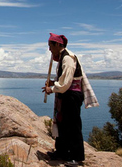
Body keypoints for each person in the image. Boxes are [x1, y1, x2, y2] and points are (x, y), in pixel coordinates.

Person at [42, 33, 98, 166]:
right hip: (66, 94)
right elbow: (64, 80)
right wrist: (53, 82)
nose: (49, 49)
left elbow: (66, 82)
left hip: (72, 96)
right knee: (62, 124)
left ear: (57, 45)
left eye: (50, 46)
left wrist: (53, 88)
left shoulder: (68, 58)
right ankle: (61, 152)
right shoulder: (62, 57)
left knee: (72, 126)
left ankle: (76, 157)